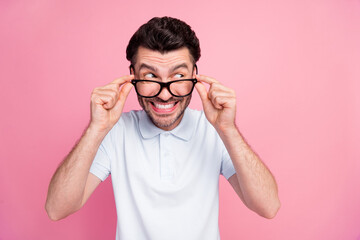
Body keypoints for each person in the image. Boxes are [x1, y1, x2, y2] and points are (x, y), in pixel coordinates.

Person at [45, 16, 280, 240]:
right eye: (150, 76)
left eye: (178, 75)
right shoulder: (114, 131)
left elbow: (268, 206)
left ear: (194, 76)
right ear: (132, 76)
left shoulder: (214, 130)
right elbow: (57, 209)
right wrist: (96, 129)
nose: (165, 93)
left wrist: (228, 129)